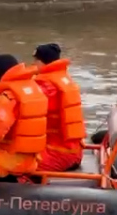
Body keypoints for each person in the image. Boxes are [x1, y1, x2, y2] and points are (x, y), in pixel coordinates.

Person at [31, 43, 86, 172]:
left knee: (16, 166)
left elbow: (22, 108)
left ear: (44, 62)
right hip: (73, 152)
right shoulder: (64, 79)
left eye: (36, 60)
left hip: (57, 154)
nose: (33, 64)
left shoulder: (47, 86)